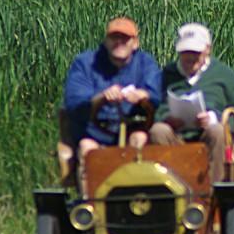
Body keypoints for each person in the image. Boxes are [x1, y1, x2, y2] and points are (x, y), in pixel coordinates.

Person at [63, 17, 161, 190]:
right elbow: (74, 102)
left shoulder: (146, 63)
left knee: (140, 140)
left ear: (135, 43)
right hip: (95, 133)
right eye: (114, 38)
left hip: (133, 128)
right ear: (106, 41)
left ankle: (136, 196)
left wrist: (143, 95)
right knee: (88, 148)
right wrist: (100, 98)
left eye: (125, 39)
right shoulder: (86, 63)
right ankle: (91, 206)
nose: (119, 43)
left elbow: (159, 94)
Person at [149, 23, 234, 183]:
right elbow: (156, 108)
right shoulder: (167, 74)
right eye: (185, 52)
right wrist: (168, 118)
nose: (190, 57)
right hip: (177, 136)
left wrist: (215, 119)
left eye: (195, 53)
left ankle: (211, 192)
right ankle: (169, 187)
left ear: (207, 50)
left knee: (217, 131)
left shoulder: (226, 76)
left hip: (207, 137)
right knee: (158, 131)